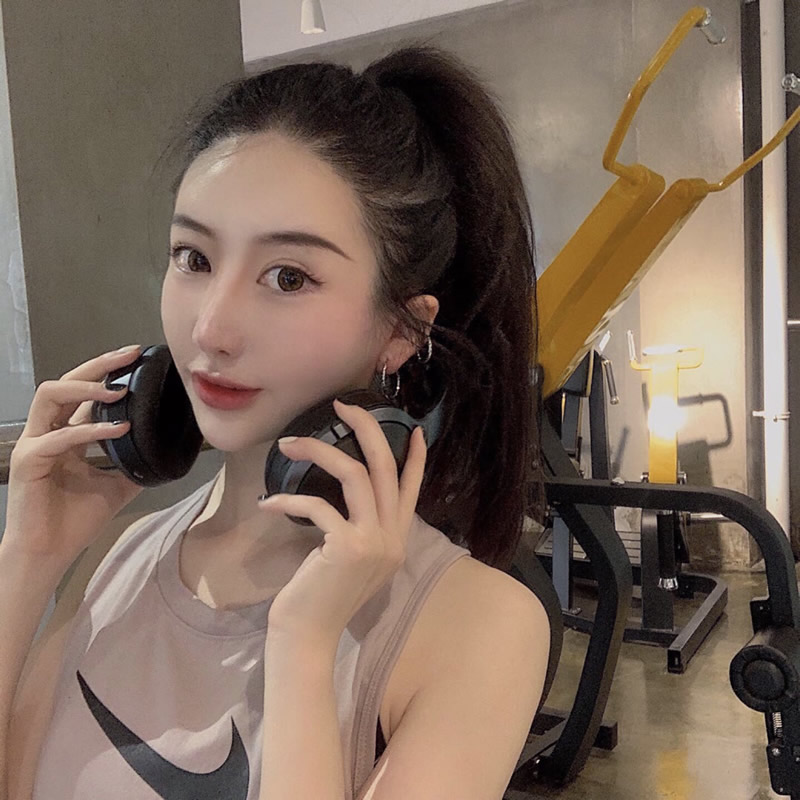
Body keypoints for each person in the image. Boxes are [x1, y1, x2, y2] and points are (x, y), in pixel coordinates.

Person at [0, 43, 550, 800]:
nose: (212, 328)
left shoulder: (479, 625)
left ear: (401, 330)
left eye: (288, 277)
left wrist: (303, 645)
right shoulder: (114, 556)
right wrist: (28, 559)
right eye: (193, 258)